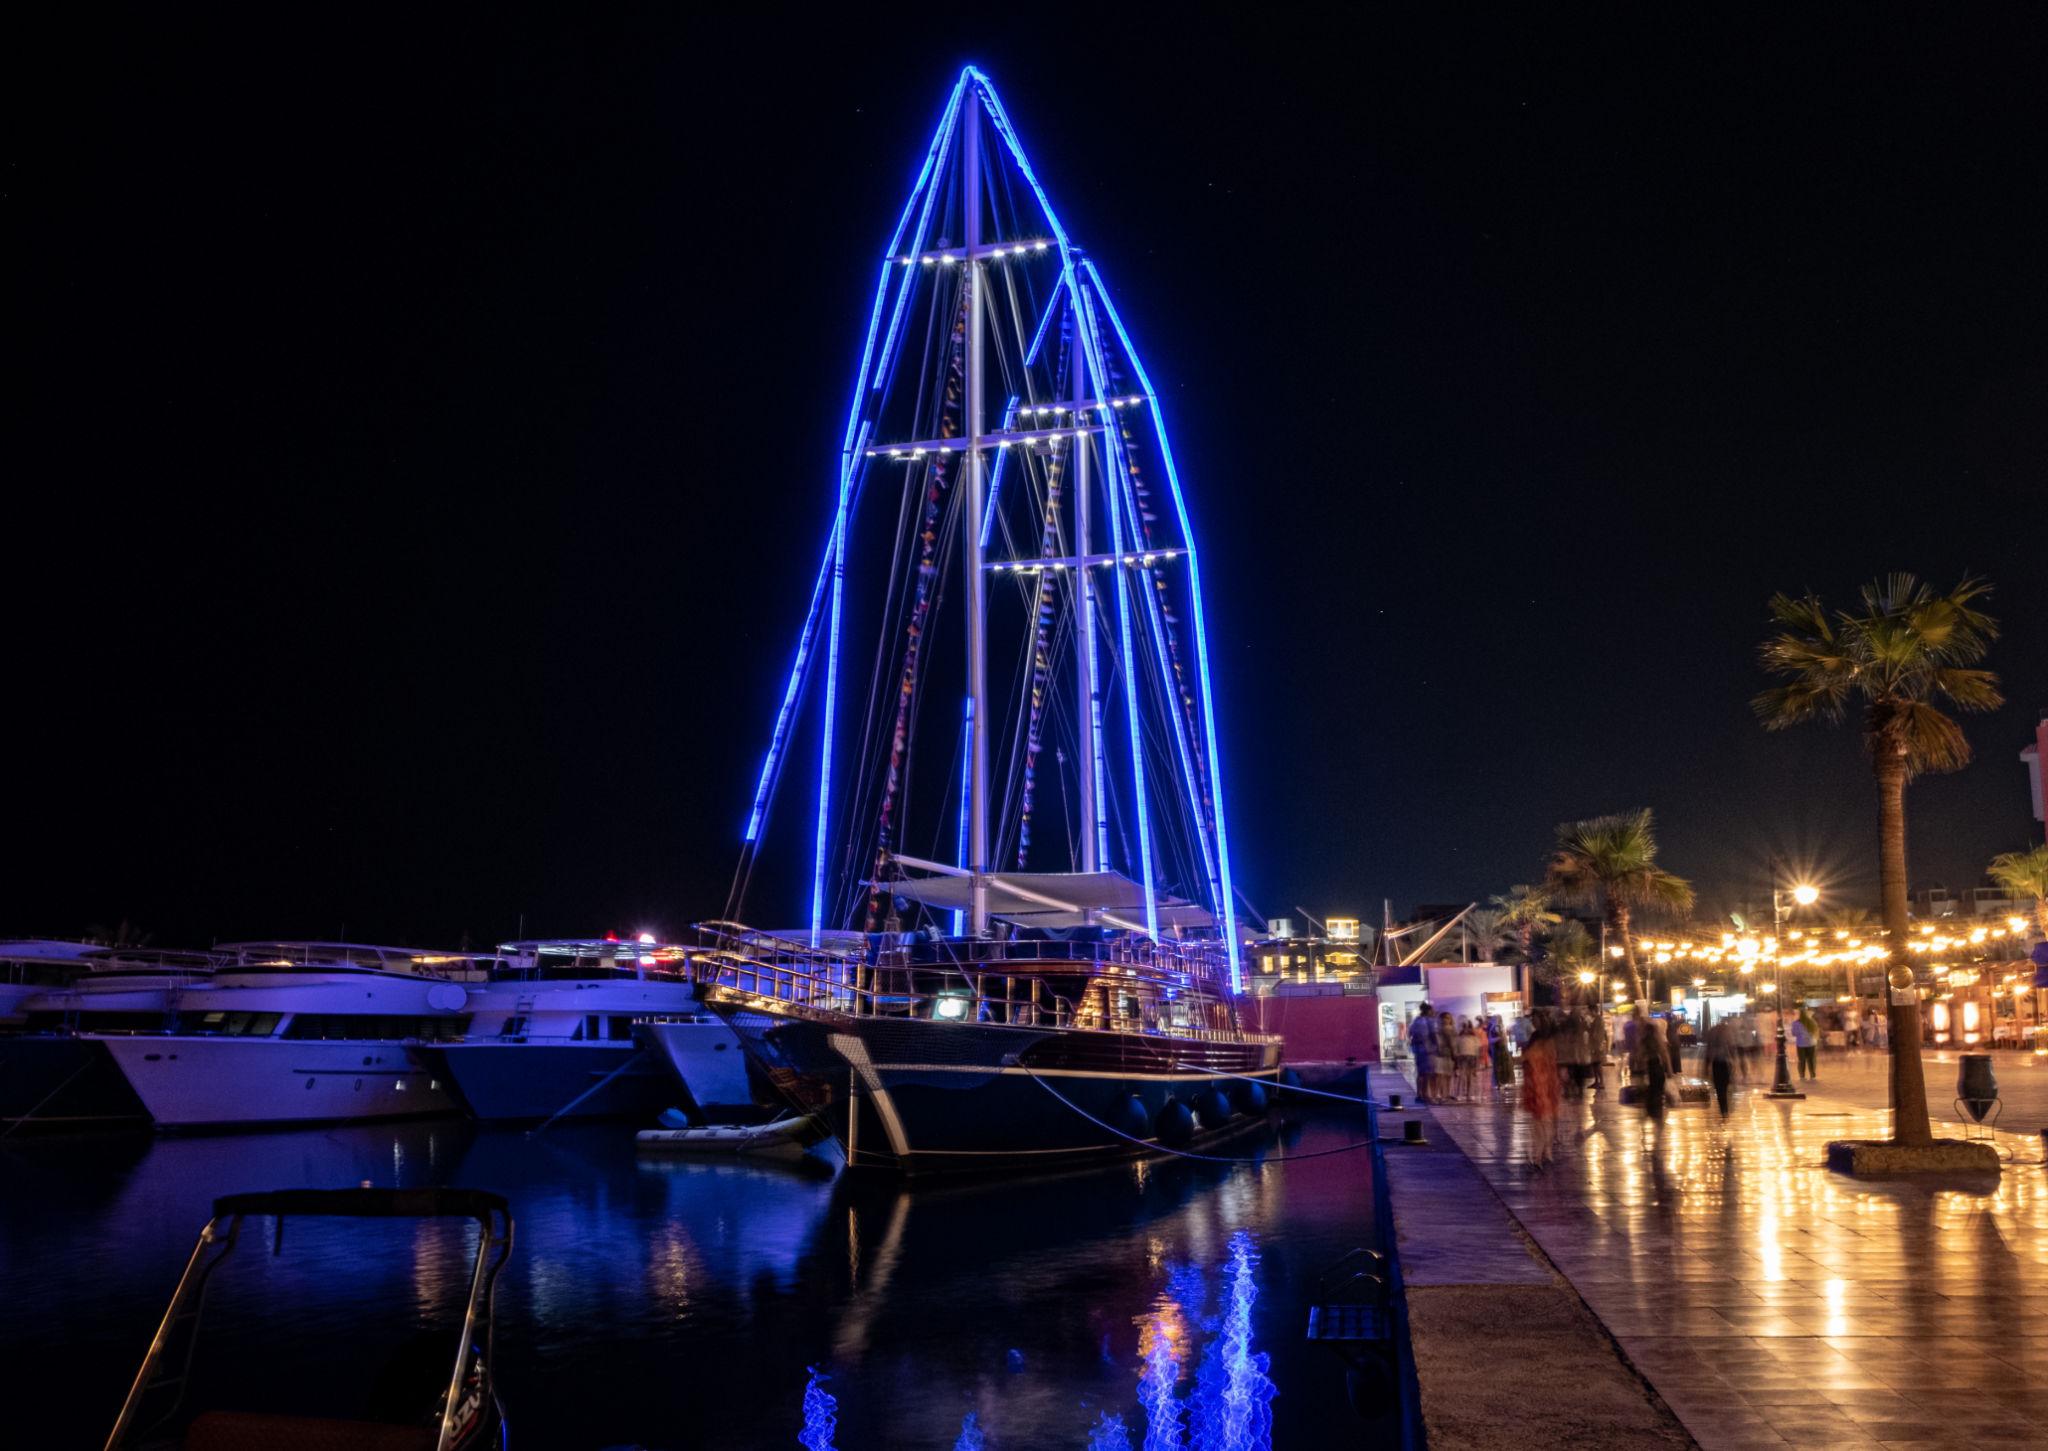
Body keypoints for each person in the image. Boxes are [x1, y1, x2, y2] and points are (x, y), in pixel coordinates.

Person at [1521, 1016, 1562, 1169]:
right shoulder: (1548, 1043)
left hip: (1539, 1086)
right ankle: (1544, 1152)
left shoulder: (1536, 1043)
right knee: (1545, 1121)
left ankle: (1540, 1153)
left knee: (1540, 1121)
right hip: (1543, 1086)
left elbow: (1525, 1060)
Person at [1704, 1014, 1737, 1116]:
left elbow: (1708, 1050)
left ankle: (1723, 1108)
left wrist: (1706, 1066)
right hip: (1725, 1062)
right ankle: (1725, 1108)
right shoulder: (1727, 1032)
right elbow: (1731, 1047)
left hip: (1716, 1063)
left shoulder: (1712, 1031)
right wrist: (1734, 1061)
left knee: (1719, 1087)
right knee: (1726, 1085)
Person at [1408, 1005, 1437, 1102]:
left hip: (1417, 1049)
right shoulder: (1429, 1021)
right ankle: (1426, 1095)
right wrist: (1437, 1046)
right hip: (1427, 1050)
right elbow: (1433, 1034)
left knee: (1420, 1073)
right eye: (1432, 1010)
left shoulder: (1416, 1020)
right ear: (1428, 1011)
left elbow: (1410, 1033)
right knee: (1427, 1074)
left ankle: (1419, 1094)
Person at [1454, 1018, 1484, 1101]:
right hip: (1463, 1057)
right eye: (1464, 1027)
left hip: (1471, 1057)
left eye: (1468, 1027)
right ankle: (1459, 1094)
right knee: (1462, 1076)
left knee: (1470, 1077)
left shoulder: (1474, 1039)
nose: (1466, 1029)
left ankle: (1469, 1094)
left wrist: (1478, 1061)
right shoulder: (1459, 1038)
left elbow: (1478, 1050)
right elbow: (1456, 1050)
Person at [1791, 1008, 1817, 1080]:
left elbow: (1794, 1033)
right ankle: (1812, 1075)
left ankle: (1802, 1075)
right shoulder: (1812, 1022)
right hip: (1811, 1043)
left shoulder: (1796, 1023)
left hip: (1801, 1044)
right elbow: (1815, 1032)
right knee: (1811, 1059)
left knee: (1801, 1060)